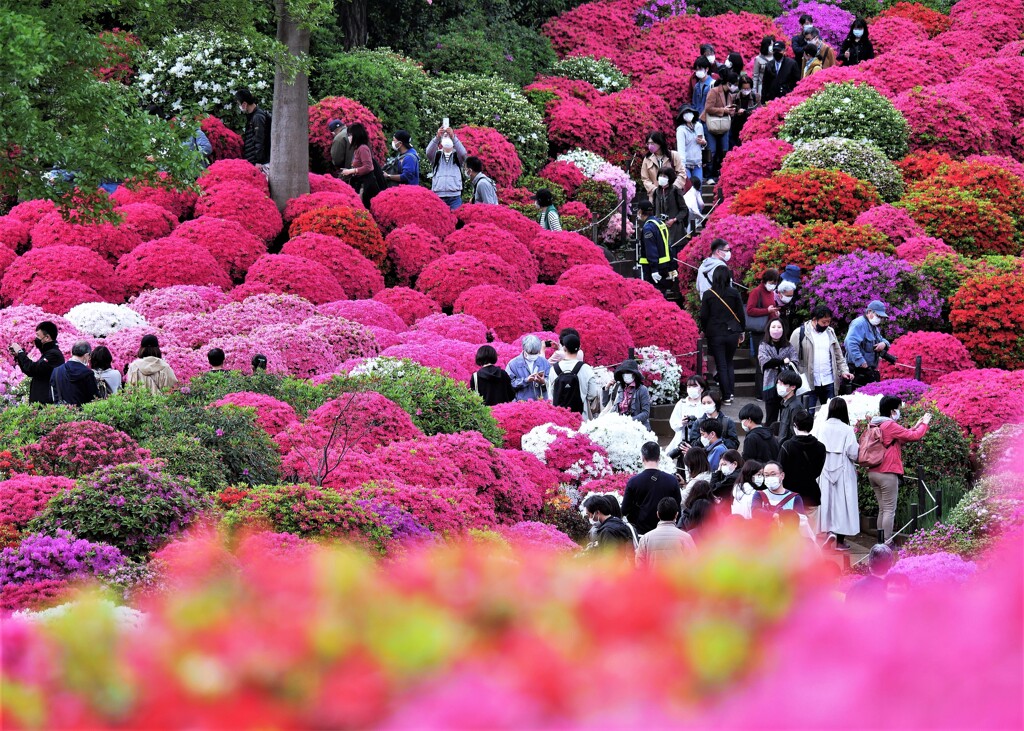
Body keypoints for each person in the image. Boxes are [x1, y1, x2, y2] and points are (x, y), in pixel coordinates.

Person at [867, 396, 931, 541]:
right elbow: (913, 436)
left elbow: (901, 438)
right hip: (887, 472)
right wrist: (924, 424)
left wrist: (916, 425)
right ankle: (887, 543)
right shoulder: (889, 425)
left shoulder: (876, 424)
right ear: (892, 410)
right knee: (889, 510)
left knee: (883, 509)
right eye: (898, 408)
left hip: (873, 472)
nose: (899, 411)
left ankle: (880, 541)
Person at [814, 397, 859, 551]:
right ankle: (840, 541)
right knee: (843, 503)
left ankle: (826, 534)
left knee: (825, 502)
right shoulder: (847, 429)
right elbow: (853, 452)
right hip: (843, 469)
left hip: (824, 468)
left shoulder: (820, 427)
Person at [791, 305, 853, 413]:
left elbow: (838, 355)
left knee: (831, 413)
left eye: (828, 322)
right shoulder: (799, 333)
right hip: (809, 382)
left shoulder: (830, 332)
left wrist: (844, 371)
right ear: (814, 320)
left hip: (828, 380)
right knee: (808, 413)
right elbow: (792, 357)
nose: (826, 325)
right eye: (823, 322)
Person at [700, 265, 745, 404]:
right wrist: (742, 330)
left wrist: (705, 330)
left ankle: (726, 396)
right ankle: (730, 393)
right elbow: (740, 313)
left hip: (715, 333)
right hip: (732, 332)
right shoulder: (734, 292)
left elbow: (703, 316)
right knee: (729, 362)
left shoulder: (708, 294)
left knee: (721, 365)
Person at [779, 409, 827, 529]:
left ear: (795, 425)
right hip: (811, 495)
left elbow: (780, 471)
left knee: (791, 533)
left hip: (790, 496)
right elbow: (817, 472)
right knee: (810, 533)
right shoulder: (821, 447)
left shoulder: (787, 446)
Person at [622, 442, 683, 535]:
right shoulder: (672, 480)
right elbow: (677, 508)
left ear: (642, 458)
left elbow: (624, 509)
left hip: (642, 533)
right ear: (659, 458)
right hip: (667, 532)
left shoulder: (633, 481)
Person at [9, 321, 64, 404]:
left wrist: (20, 352)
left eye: (38, 335)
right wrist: (18, 355)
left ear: (47, 338)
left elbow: (32, 369)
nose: (35, 338)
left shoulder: (53, 355)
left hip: (46, 406)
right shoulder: (48, 353)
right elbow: (29, 370)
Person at [757, 317, 798, 426]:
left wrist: (776, 363)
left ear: (783, 329)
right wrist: (783, 362)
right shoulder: (763, 345)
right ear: (768, 329)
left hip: (786, 387)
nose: (776, 329)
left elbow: (795, 361)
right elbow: (764, 362)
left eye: (779, 327)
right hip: (770, 385)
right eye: (773, 327)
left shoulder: (788, 346)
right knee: (771, 418)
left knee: (786, 417)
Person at [548, 333, 599, 419]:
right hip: (581, 415)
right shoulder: (586, 368)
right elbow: (592, 394)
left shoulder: (554, 369)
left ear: (564, 348)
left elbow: (551, 395)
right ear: (579, 348)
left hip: (559, 417)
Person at [635, 497, 697, 567]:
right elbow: (693, 564)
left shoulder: (646, 538)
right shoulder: (686, 537)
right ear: (676, 515)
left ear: (657, 514)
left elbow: (639, 566)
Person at [845, 300, 893, 388]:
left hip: (868, 369)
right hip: (858, 369)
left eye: (881, 317)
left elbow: (881, 339)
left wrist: (884, 344)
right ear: (869, 312)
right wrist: (860, 361)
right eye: (878, 316)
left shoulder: (873, 326)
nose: (880, 319)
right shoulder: (858, 324)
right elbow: (850, 344)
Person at [700, 69, 737, 183]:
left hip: (723, 125)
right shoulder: (714, 91)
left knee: (725, 149)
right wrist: (724, 110)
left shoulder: (729, 95)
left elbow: (727, 110)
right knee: (712, 150)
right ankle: (709, 175)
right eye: (733, 84)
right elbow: (708, 108)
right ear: (728, 83)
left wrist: (731, 111)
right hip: (711, 124)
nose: (735, 87)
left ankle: (721, 173)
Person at [338, 123, 382, 208]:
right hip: (360, 182)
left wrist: (352, 170)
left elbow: (368, 167)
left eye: (350, 135)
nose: (348, 137)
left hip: (366, 185)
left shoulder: (363, 148)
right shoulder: (357, 148)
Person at [425, 126, 468, 211]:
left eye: (448, 136)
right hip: (438, 196)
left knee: (456, 221)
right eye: (444, 136)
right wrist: (437, 137)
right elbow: (428, 152)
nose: (447, 137)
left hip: (454, 197)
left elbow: (463, 154)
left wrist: (453, 137)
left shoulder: (457, 156)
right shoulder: (437, 155)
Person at [601, 359, 652, 429]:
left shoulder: (642, 389)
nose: (626, 375)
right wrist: (606, 388)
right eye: (624, 373)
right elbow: (605, 404)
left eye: (629, 372)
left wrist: (628, 421)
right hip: (618, 426)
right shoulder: (618, 388)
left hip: (636, 427)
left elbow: (645, 413)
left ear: (635, 374)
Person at [635, 201, 674, 288]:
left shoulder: (648, 227)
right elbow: (668, 245)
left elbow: (651, 250)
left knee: (656, 295)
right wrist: (671, 266)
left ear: (641, 211)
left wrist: (654, 269)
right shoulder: (660, 223)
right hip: (664, 265)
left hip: (653, 268)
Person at [668, 375, 707, 457]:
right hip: (682, 442)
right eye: (689, 386)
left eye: (695, 386)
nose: (691, 389)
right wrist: (681, 423)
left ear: (702, 389)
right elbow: (673, 423)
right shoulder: (682, 403)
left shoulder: (705, 404)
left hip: (700, 442)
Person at [50, 341, 99, 406]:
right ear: (86, 355)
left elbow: (52, 395)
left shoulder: (56, 371)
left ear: (71, 352)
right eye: (89, 356)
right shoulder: (88, 373)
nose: (89, 359)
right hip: (82, 414)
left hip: (61, 413)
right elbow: (94, 398)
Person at [640, 131, 686, 197]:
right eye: (648, 143)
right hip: (655, 197)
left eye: (652, 143)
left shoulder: (674, 155)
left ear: (660, 143)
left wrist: (673, 188)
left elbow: (681, 174)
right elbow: (645, 178)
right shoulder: (647, 159)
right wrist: (655, 190)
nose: (650, 146)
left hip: (673, 196)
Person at [650, 167, 688, 247]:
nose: (662, 178)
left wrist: (674, 220)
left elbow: (684, 210)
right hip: (659, 228)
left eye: (665, 176)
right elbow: (654, 209)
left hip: (674, 230)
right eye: (660, 175)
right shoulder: (656, 192)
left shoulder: (675, 191)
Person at [746, 268, 780, 356]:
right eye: (771, 283)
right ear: (765, 281)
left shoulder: (771, 293)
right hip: (760, 331)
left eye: (775, 283)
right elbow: (750, 310)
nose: (773, 285)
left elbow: (770, 308)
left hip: (770, 329)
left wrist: (775, 313)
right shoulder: (756, 292)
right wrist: (767, 311)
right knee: (761, 358)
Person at [506, 335, 550, 401]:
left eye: (536, 353)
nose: (533, 355)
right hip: (522, 403)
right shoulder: (513, 364)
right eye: (530, 353)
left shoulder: (544, 362)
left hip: (541, 403)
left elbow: (552, 381)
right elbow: (508, 384)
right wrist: (525, 380)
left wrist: (544, 382)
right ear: (524, 349)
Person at [234, 89, 270, 165]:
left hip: (258, 163)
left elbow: (259, 140)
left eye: (239, 104)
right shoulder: (252, 116)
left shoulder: (258, 117)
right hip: (252, 160)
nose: (239, 107)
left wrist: (258, 162)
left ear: (244, 104)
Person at [674, 104, 707, 184]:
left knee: (698, 189)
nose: (688, 114)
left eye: (689, 112)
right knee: (688, 189)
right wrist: (682, 166)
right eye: (685, 113)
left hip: (697, 163)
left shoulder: (699, 126)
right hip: (686, 164)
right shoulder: (681, 130)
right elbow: (681, 149)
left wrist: (703, 143)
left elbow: (703, 144)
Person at [776, 369, 804, 443]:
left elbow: (796, 433)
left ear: (793, 387)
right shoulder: (784, 404)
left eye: (782, 384)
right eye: (778, 383)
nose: (779, 386)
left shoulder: (795, 407)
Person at [731, 73, 759, 145]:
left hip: (749, 126)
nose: (746, 91)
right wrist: (737, 112)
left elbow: (759, 110)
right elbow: (729, 111)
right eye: (744, 89)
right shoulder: (733, 97)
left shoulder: (755, 97)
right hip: (736, 126)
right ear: (740, 88)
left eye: (748, 89)